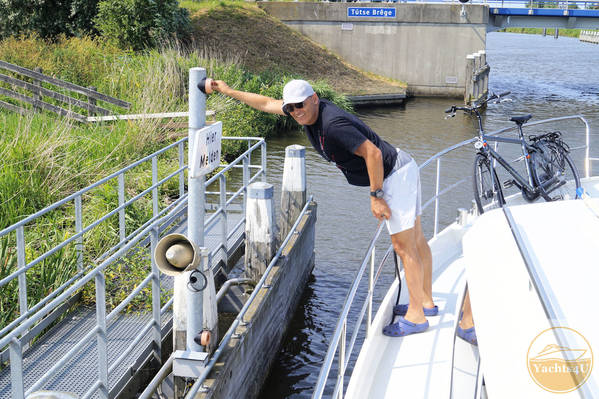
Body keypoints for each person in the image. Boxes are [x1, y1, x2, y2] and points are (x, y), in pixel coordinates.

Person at [209, 78, 436, 337]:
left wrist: (376, 196)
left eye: (300, 105)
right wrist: (228, 91)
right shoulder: (306, 113)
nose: (296, 112)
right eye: (291, 108)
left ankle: (417, 315)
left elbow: (372, 154)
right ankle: (425, 302)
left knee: (405, 246)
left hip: (394, 175)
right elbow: (265, 103)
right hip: (400, 167)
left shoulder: (332, 124)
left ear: (314, 98)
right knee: (415, 240)